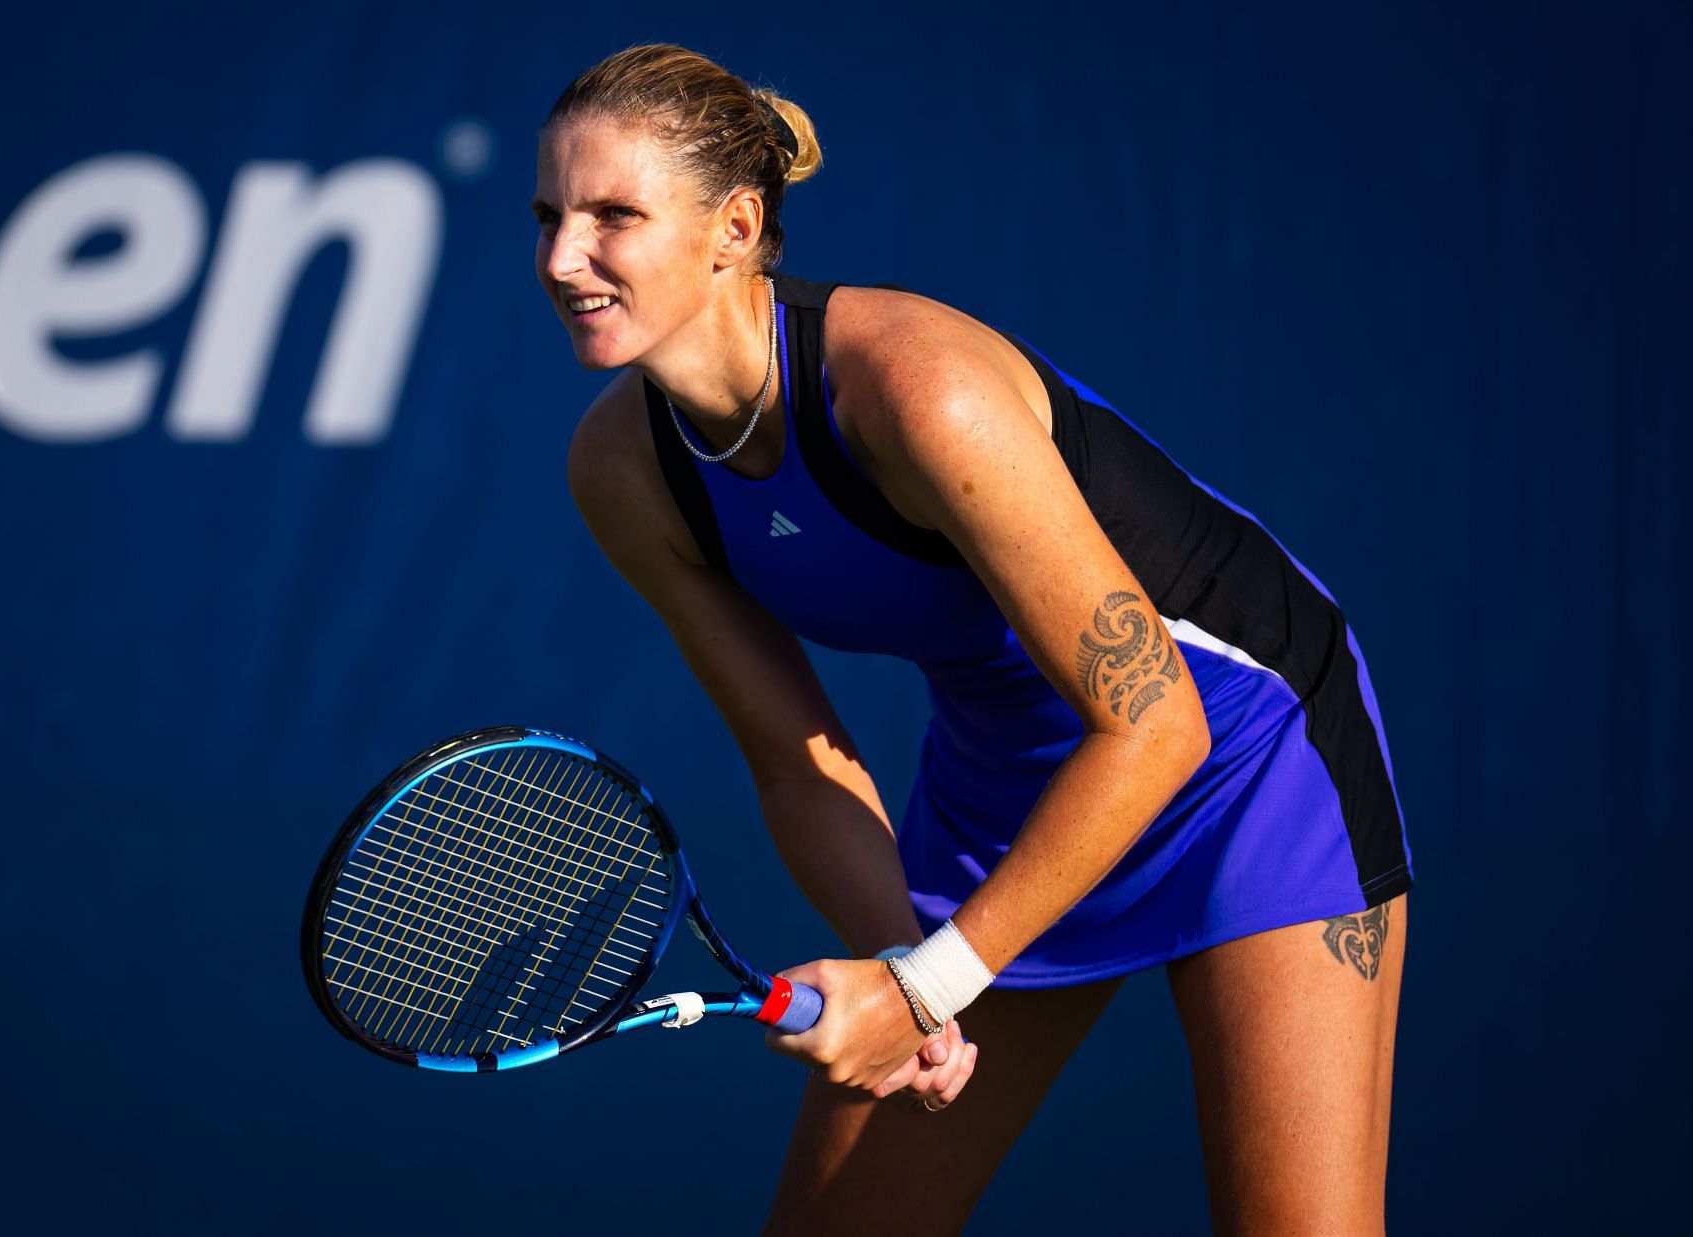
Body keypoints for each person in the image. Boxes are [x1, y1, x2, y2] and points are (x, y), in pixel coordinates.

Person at [535, 43, 1413, 1235]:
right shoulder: (622, 472)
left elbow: (1159, 723)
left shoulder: (916, 390)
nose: (560, 258)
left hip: (1246, 760)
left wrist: (935, 977)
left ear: (735, 226)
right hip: (1007, 776)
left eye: (611, 216)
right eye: (550, 215)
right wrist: (910, 974)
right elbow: (798, 761)